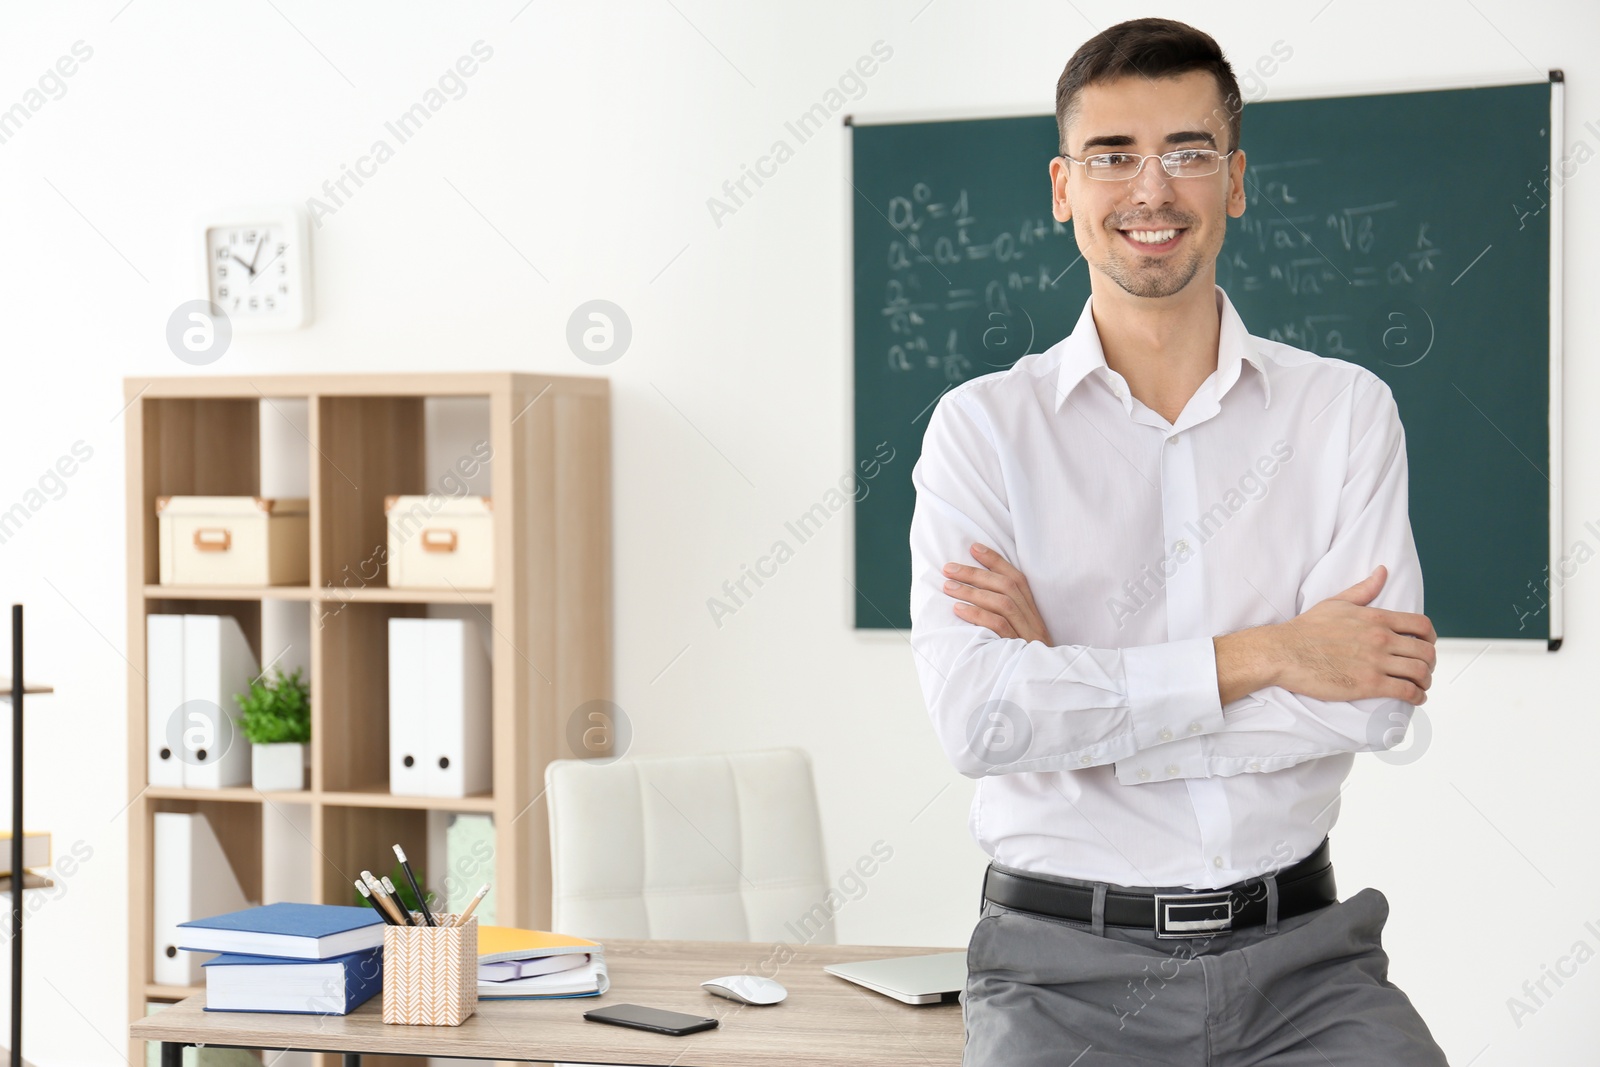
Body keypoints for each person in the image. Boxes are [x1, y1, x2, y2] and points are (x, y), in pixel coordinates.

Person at [908, 17, 1450, 1065]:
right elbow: (981, 723)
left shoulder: (1343, 411)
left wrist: (1072, 682)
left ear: (1235, 181)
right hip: (1061, 967)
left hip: (1306, 962)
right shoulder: (982, 429)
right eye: (1112, 155)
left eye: (1187, 153)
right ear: (1064, 187)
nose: (1149, 189)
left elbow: (1375, 703)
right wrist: (1275, 652)